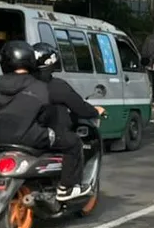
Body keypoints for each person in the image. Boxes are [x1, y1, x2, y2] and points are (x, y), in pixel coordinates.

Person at [0, 41, 87, 201]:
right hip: (33, 139)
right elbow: (47, 117)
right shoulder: (41, 87)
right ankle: (67, 187)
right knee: (73, 142)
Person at [31, 42, 104, 200]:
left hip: (20, 135)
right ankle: (66, 187)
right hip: (48, 136)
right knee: (74, 143)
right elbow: (80, 107)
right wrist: (95, 111)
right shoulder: (56, 86)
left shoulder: (23, 84)